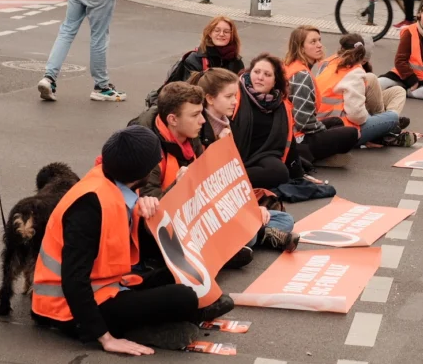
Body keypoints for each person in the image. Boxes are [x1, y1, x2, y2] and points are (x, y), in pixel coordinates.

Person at [31, 126, 234, 355]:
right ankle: (137, 328)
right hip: (66, 309)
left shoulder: (117, 183)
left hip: (109, 284)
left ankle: (162, 322)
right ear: (143, 173)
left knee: (179, 268)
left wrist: (145, 213)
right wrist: (105, 339)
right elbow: (74, 280)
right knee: (184, 296)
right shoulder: (89, 205)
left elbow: (130, 242)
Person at [130, 80, 297, 268]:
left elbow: (212, 187)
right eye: (195, 115)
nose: (202, 120)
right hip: (173, 225)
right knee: (247, 234)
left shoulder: (190, 135)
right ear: (173, 120)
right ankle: (247, 239)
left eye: (201, 113)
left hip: (199, 213)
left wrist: (250, 209)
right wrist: (178, 186)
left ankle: (237, 243)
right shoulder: (147, 149)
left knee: (283, 219)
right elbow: (150, 211)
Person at [186, 70, 300, 260]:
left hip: (227, 206)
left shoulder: (227, 124)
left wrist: (252, 209)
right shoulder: (199, 130)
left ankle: (253, 234)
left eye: (235, 96)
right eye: (229, 96)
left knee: (285, 220)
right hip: (209, 211)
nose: (234, 101)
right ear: (210, 99)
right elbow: (206, 184)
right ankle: (259, 236)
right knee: (251, 235)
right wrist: (215, 147)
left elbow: (233, 180)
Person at [314, 34, 414, 147]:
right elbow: (356, 115)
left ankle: (385, 131)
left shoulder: (329, 62)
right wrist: (375, 119)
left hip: (323, 121)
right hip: (342, 127)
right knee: (392, 117)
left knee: (398, 91)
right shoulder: (355, 71)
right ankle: (385, 132)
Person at [284, 26, 359, 167]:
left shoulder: (293, 66)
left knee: (337, 122)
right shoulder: (302, 75)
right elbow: (304, 122)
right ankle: (310, 157)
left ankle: (323, 155)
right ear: (300, 47)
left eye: (319, 40)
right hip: (297, 138)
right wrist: (322, 130)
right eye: (312, 42)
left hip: (295, 130)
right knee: (352, 133)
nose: (319, 45)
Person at [229, 54, 303, 189]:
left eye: (267, 74)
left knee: (279, 173)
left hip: (263, 155)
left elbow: (289, 139)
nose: (260, 77)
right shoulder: (235, 94)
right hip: (234, 155)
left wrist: (298, 174)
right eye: (256, 72)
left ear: (275, 81)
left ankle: (231, 180)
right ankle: (226, 178)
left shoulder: (281, 104)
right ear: (249, 73)